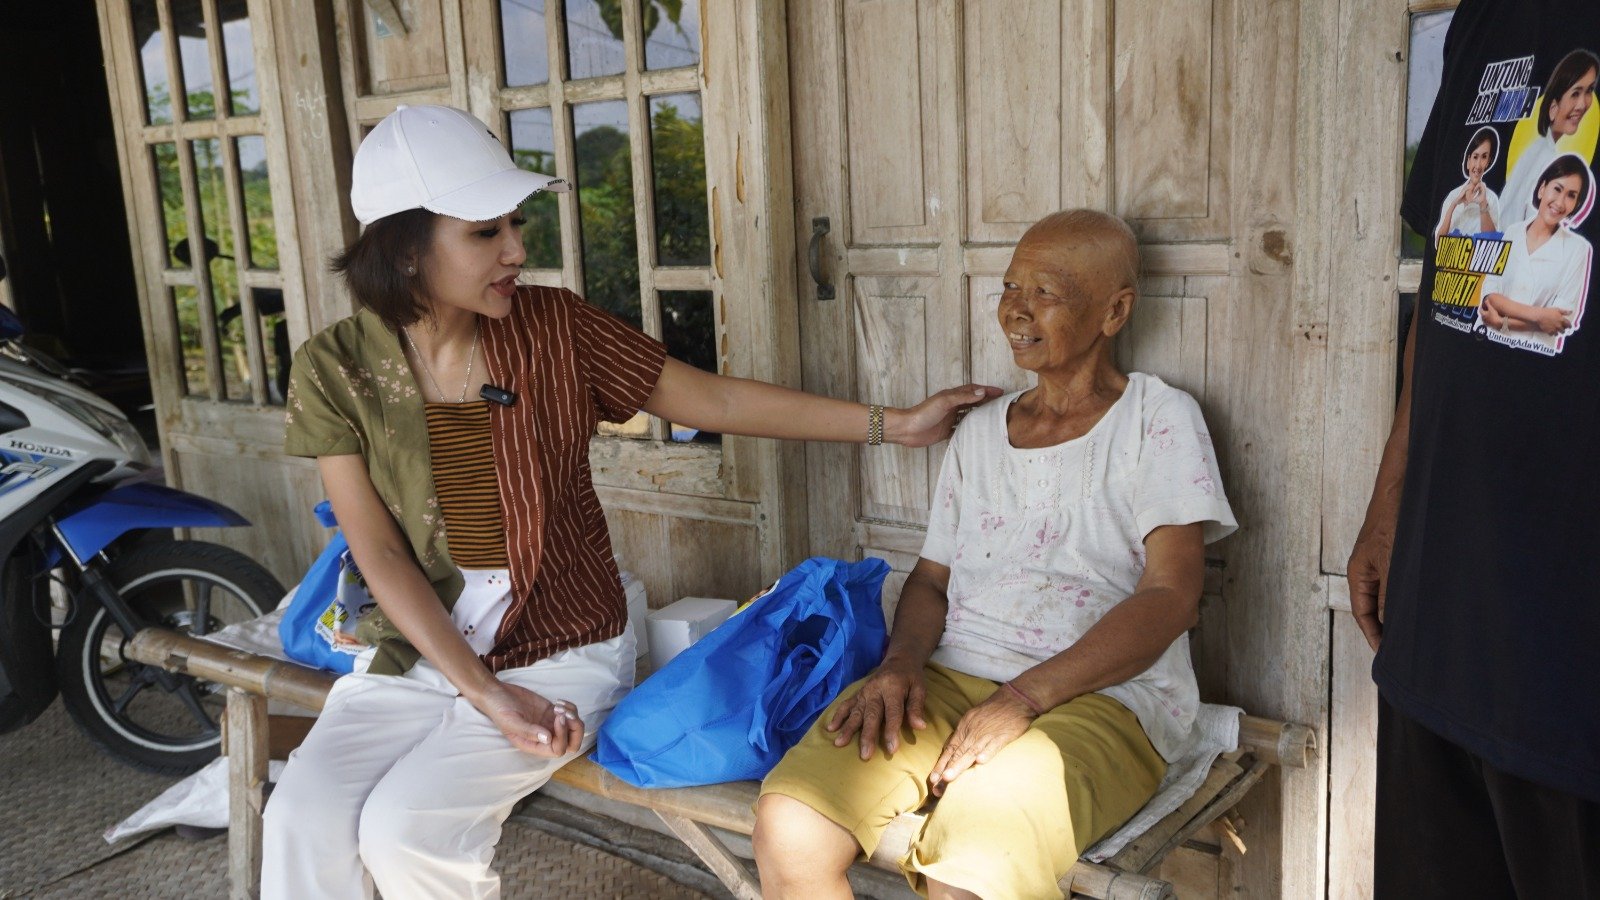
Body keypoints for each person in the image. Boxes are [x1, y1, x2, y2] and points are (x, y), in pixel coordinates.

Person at [261, 104, 1000, 900]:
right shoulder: (334, 367)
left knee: (407, 831)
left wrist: (895, 425)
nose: (517, 249)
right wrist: (481, 690)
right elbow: (377, 552)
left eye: (516, 223)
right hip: (416, 652)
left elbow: (711, 401)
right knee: (300, 817)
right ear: (405, 250)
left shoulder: (554, 329)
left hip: (560, 649)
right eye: (485, 232)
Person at [751, 209, 1236, 900]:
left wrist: (1021, 699)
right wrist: (898, 666)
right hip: (951, 680)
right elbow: (932, 579)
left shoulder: (1158, 420)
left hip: (1106, 699)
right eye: (1010, 288)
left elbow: (1170, 597)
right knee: (789, 824)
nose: (1016, 310)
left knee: (970, 871)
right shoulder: (981, 432)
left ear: (1114, 311)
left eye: (1046, 293)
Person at [1349, 4, 1600, 896]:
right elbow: (1448, 287)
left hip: (1573, 670)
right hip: (1439, 630)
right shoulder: (1489, 18)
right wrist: (1391, 497)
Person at [1477, 154, 1593, 351]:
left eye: (1571, 195)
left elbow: (1560, 320)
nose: (1560, 202)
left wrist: (1501, 322)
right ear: (1541, 189)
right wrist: (1541, 316)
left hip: (1537, 358)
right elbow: (1490, 293)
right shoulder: (1513, 232)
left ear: (1576, 205)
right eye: (1557, 189)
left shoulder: (1578, 249)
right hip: (1488, 347)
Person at [1499, 48, 1597, 225]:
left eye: (1589, 90)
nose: (1583, 104)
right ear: (1553, 108)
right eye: (1575, 93)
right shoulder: (1546, 157)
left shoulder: (1538, 148)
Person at [1436, 128, 1502, 237]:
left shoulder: (1491, 199)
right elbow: (1439, 242)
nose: (1478, 165)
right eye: (1475, 157)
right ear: (1468, 161)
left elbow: (1492, 242)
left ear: (1488, 162)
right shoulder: (1453, 195)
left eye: (1484, 157)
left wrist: (1483, 204)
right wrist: (1454, 205)